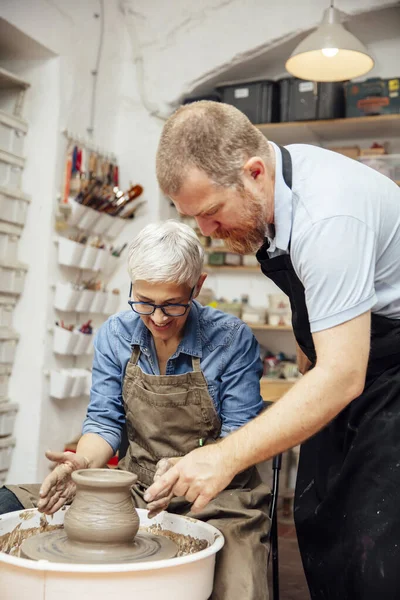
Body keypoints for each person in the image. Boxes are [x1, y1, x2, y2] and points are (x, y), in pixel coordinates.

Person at [145, 100, 400, 600]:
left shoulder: (327, 216)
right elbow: (317, 305)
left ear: (254, 172)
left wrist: (223, 457)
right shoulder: (272, 193)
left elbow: (344, 375)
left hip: (391, 366)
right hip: (354, 358)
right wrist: (307, 351)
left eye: (212, 212)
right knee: (320, 517)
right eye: (194, 218)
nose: (207, 232)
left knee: (376, 546)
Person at [0, 220, 271, 600]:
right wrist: (81, 463)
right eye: (145, 302)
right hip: (137, 488)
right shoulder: (116, 333)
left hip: (218, 497)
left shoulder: (231, 339)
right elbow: (104, 421)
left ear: (197, 286)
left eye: (173, 304)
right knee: (7, 506)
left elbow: (241, 440)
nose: (158, 318)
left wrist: (186, 469)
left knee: (241, 587)